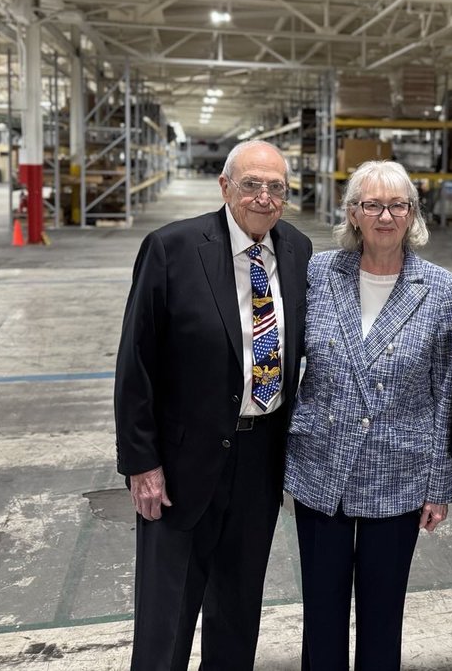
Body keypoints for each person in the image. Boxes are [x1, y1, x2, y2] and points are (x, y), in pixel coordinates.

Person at [113, 140, 313, 671]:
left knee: (238, 611)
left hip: (261, 459)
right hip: (182, 465)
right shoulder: (172, 248)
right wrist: (141, 463)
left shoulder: (297, 249)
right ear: (225, 187)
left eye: (276, 187)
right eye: (252, 184)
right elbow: (136, 362)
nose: (264, 197)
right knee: (166, 619)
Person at [284, 159, 452, 671]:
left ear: (412, 213)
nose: (385, 216)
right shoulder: (318, 273)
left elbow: (445, 394)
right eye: (372, 205)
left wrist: (439, 484)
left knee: (383, 614)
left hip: (398, 472)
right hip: (321, 467)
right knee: (321, 610)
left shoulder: (440, 288)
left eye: (397, 205)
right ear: (352, 213)